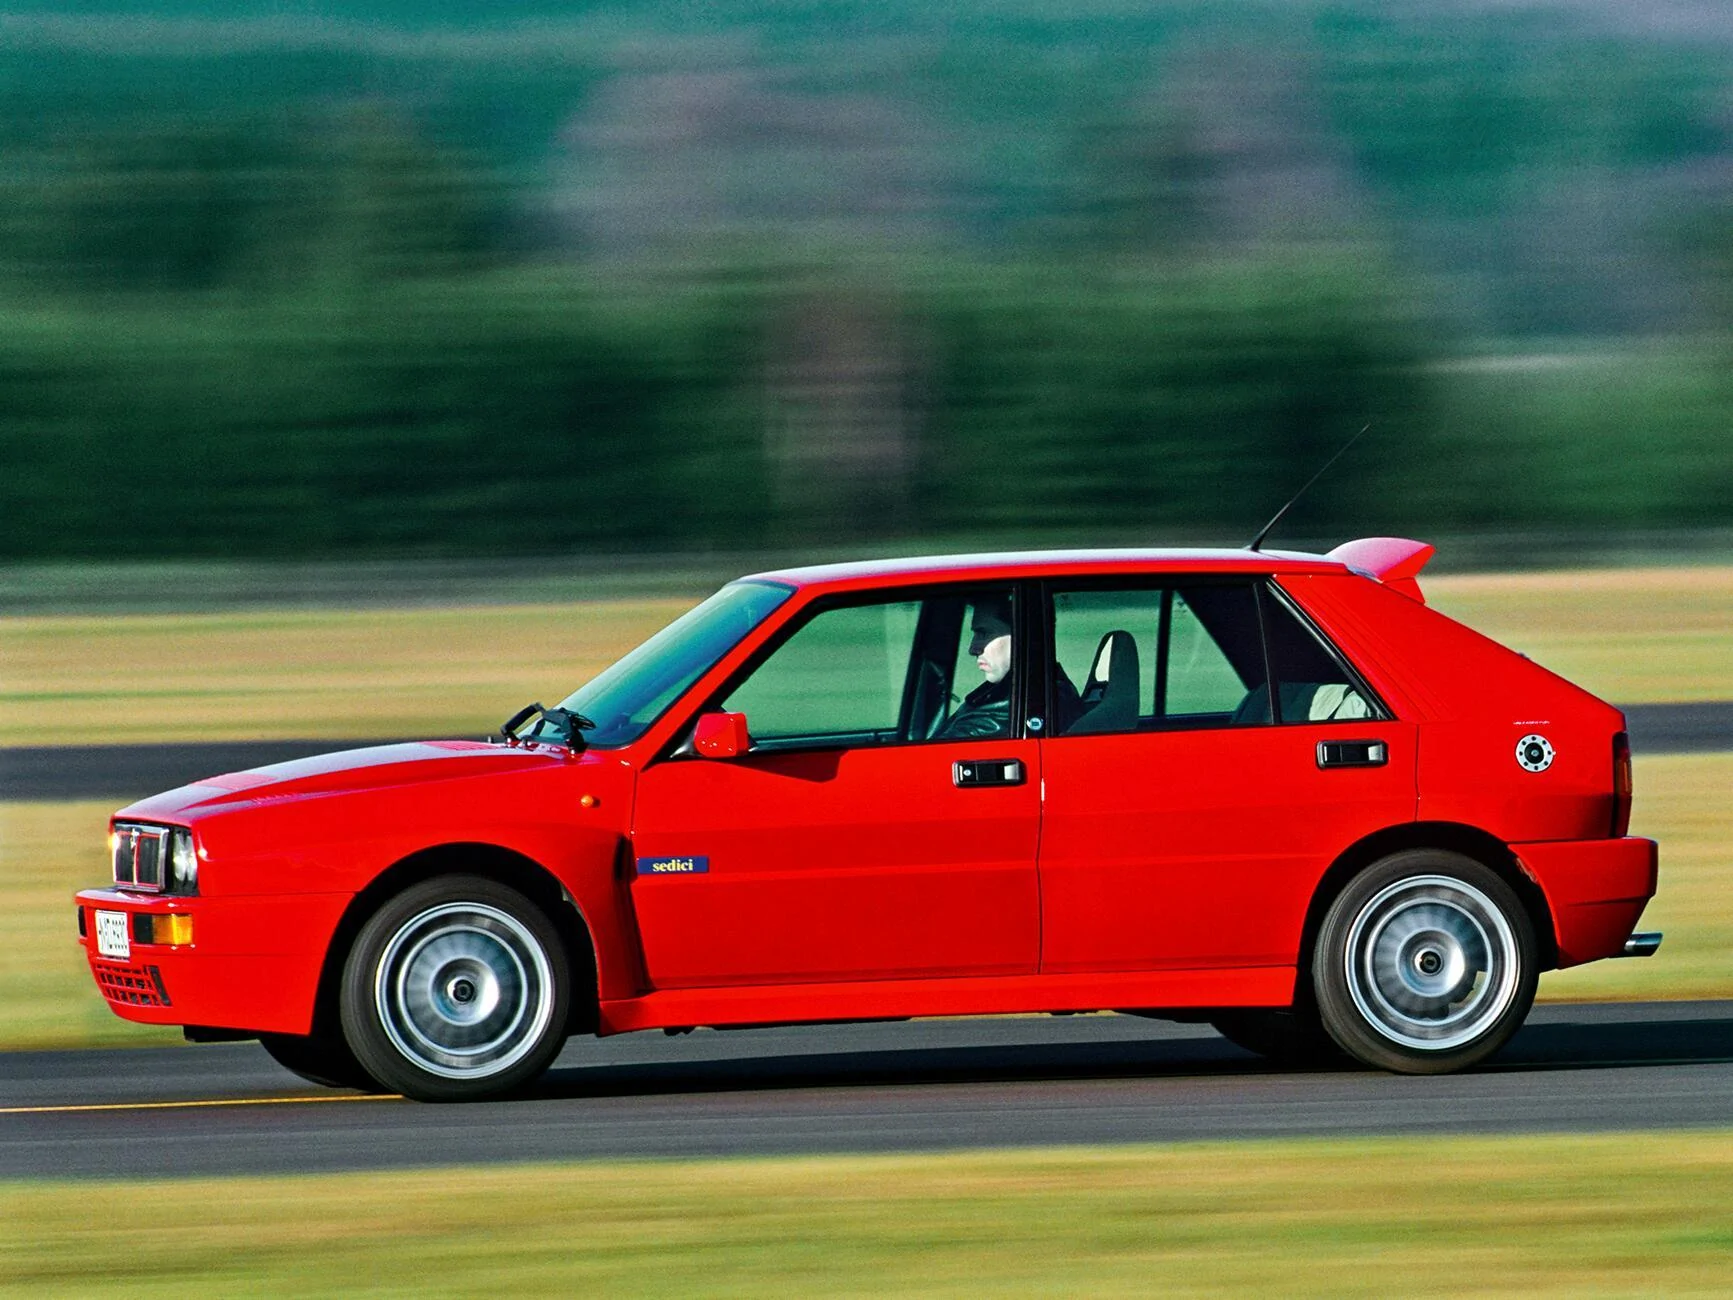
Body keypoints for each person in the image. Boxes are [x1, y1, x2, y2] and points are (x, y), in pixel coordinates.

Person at [935, 597, 1014, 740]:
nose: (973, 649)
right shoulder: (997, 697)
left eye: (984, 633)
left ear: (1022, 635)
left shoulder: (1006, 713)